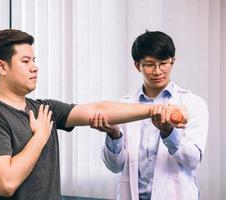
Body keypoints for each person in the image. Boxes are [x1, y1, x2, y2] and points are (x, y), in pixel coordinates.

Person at [0, 29, 186, 200]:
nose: (35, 67)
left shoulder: (43, 108)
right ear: (1, 67)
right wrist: (40, 137)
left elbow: (98, 109)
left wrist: (156, 109)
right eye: (25, 61)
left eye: (34, 60)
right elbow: (6, 183)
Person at [89, 31, 208, 200]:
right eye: (150, 64)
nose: (158, 71)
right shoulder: (124, 106)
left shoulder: (193, 104)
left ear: (173, 61)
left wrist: (169, 133)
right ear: (137, 65)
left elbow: (193, 161)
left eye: (163, 63)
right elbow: (114, 167)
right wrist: (114, 134)